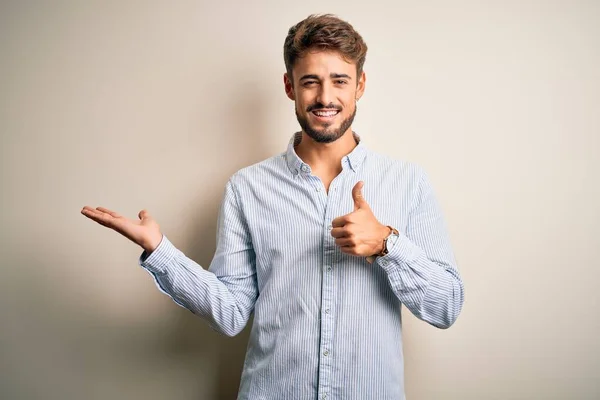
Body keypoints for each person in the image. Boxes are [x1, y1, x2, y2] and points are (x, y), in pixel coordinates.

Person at [81, 14, 464, 400]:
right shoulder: (247, 188)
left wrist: (386, 244)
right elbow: (230, 313)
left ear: (360, 85)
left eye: (339, 81)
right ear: (289, 86)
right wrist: (159, 250)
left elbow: (446, 306)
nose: (325, 97)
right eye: (310, 81)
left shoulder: (408, 183)